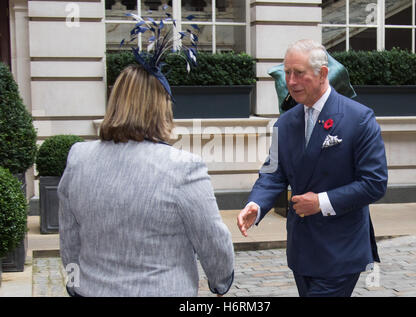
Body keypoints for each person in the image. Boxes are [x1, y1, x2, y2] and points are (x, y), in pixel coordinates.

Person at [58, 65, 234, 297]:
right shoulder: (183, 167)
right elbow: (212, 239)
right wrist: (220, 280)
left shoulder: (79, 157)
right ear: (163, 108)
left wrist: (74, 284)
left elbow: (69, 238)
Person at [237, 39, 388, 297]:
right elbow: (273, 173)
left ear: (323, 74)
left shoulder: (359, 118)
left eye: (299, 73)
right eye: (287, 73)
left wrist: (321, 202)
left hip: (341, 248)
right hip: (302, 248)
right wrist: (257, 204)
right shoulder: (284, 123)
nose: (291, 82)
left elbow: (374, 183)